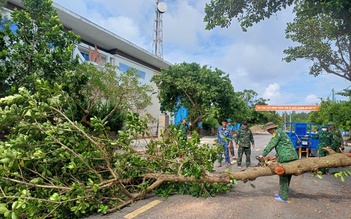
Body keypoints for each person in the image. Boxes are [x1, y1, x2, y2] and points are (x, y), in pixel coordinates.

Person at [259, 122, 298, 203]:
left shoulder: (276, 133)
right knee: (286, 175)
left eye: (268, 130)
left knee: (283, 175)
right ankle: (282, 193)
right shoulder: (280, 132)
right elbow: (283, 145)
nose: (268, 132)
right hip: (290, 156)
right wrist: (276, 156)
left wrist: (263, 154)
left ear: (271, 129)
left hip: (286, 157)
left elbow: (271, 144)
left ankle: (284, 197)